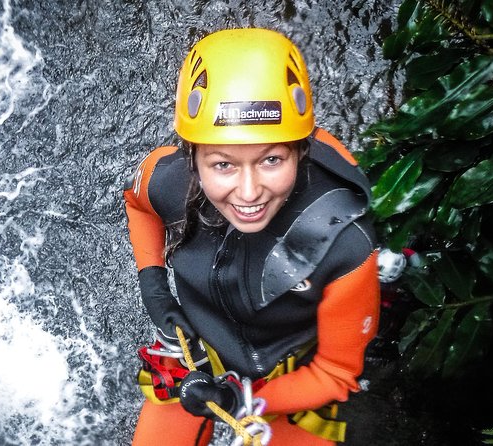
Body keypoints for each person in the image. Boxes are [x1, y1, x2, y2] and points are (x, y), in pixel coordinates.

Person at [123, 28, 380, 446]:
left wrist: (241, 399)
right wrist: (154, 287)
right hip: (198, 352)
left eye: (272, 159)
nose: (248, 194)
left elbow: (335, 373)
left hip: (295, 374)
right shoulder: (167, 178)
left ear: (301, 150)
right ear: (192, 156)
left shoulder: (344, 248)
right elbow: (137, 206)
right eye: (223, 164)